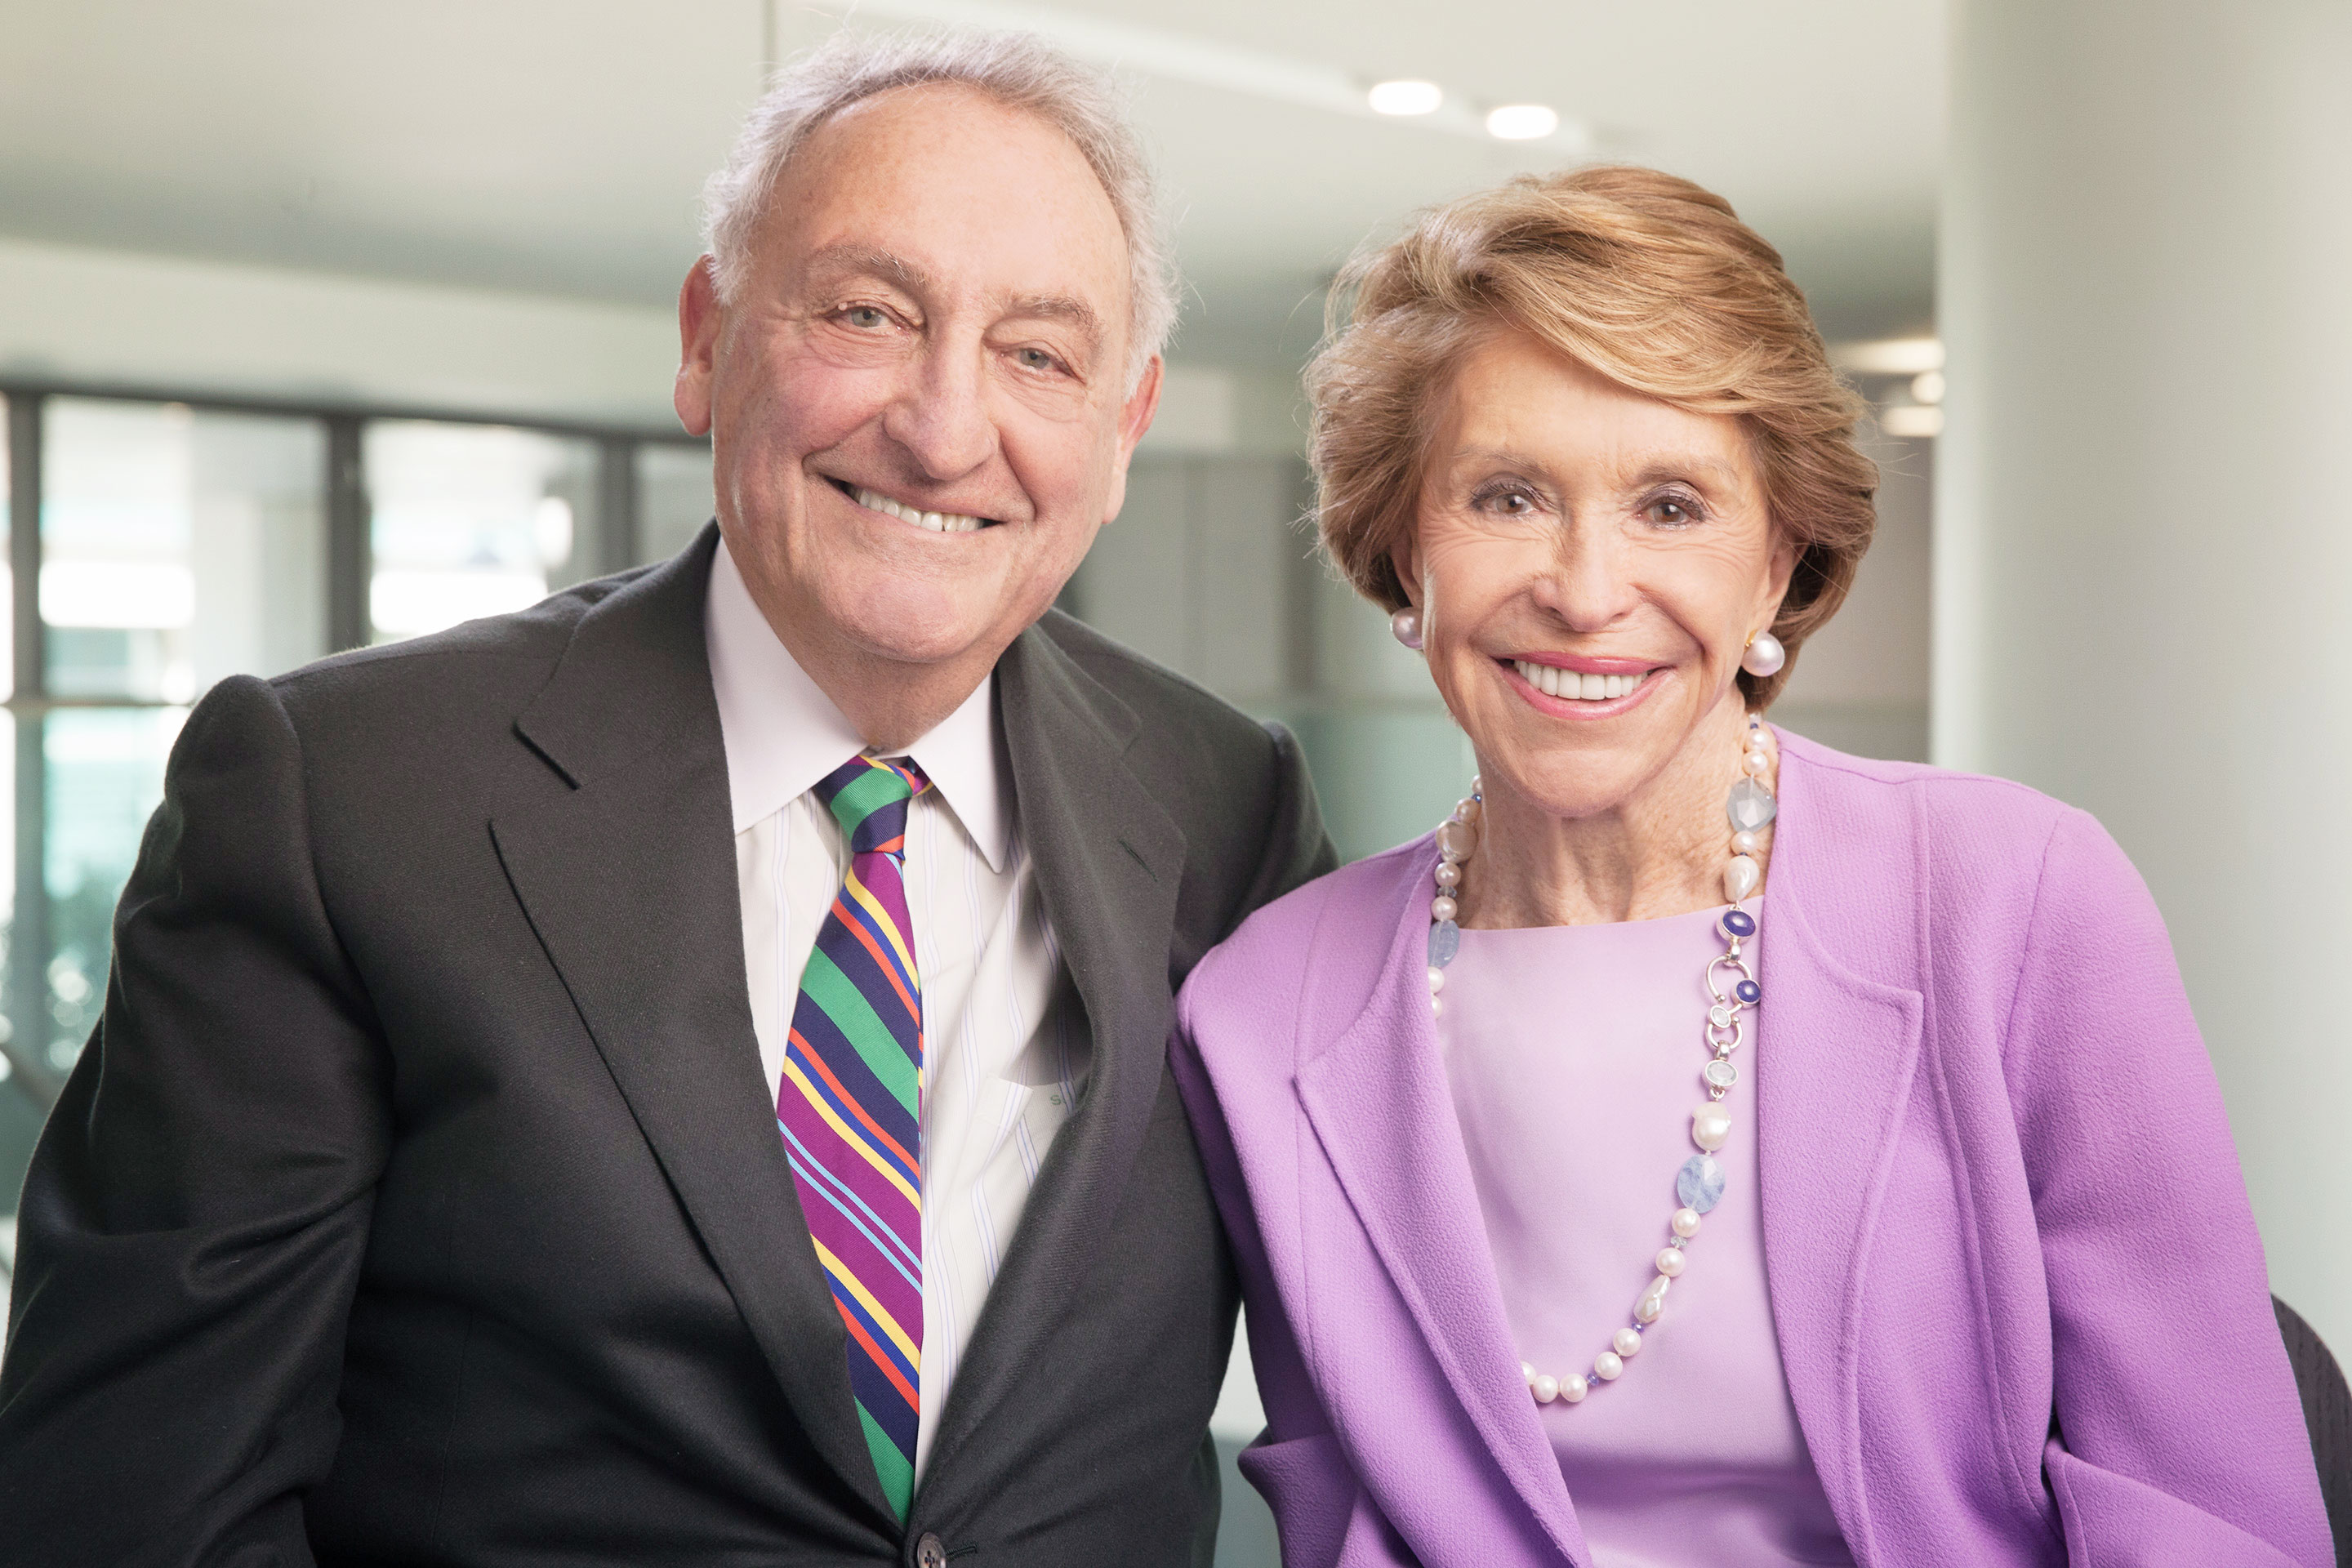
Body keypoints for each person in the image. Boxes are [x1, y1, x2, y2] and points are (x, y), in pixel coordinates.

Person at [0, 29, 1332, 1566]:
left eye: (1039, 352)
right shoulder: (344, 798)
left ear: (1124, 428)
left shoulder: (1230, 811)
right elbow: (138, 1510)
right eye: (867, 313)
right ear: (708, 339)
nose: (946, 427)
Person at [1169, 165, 2332, 1566]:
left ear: (1780, 559)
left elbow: (2205, 1511)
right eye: (1508, 496)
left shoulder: (2012, 901)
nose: (1588, 591)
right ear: (1399, 550)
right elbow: (1349, 1525)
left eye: (1671, 506)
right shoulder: (1257, 1017)